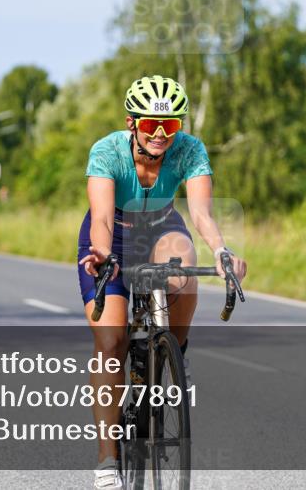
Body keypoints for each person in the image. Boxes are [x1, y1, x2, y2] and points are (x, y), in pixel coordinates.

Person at [77, 75, 248, 489]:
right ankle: (106, 461)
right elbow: (100, 217)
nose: (159, 133)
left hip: (160, 228)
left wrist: (222, 253)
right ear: (131, 121)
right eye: (151, 123)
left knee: (183, 260)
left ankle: (175, 349)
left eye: (169, 125)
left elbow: (202, 215)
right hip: (112, 234)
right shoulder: (107, 151)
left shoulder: (190, 151)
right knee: (112, 343)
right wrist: (103, 256)